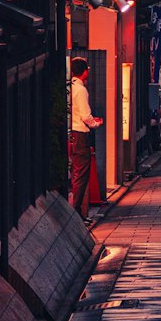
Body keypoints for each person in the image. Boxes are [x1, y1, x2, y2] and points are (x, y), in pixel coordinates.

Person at [68, 54, 104, 221]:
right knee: (81, 174)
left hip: (72, 133)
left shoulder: (70, 87)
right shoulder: (81, 90)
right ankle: (75, 213)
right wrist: (96, 123)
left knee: (77, 173)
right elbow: (85, 116)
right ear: (83, 72)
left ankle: (77, 213)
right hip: (81, 134)